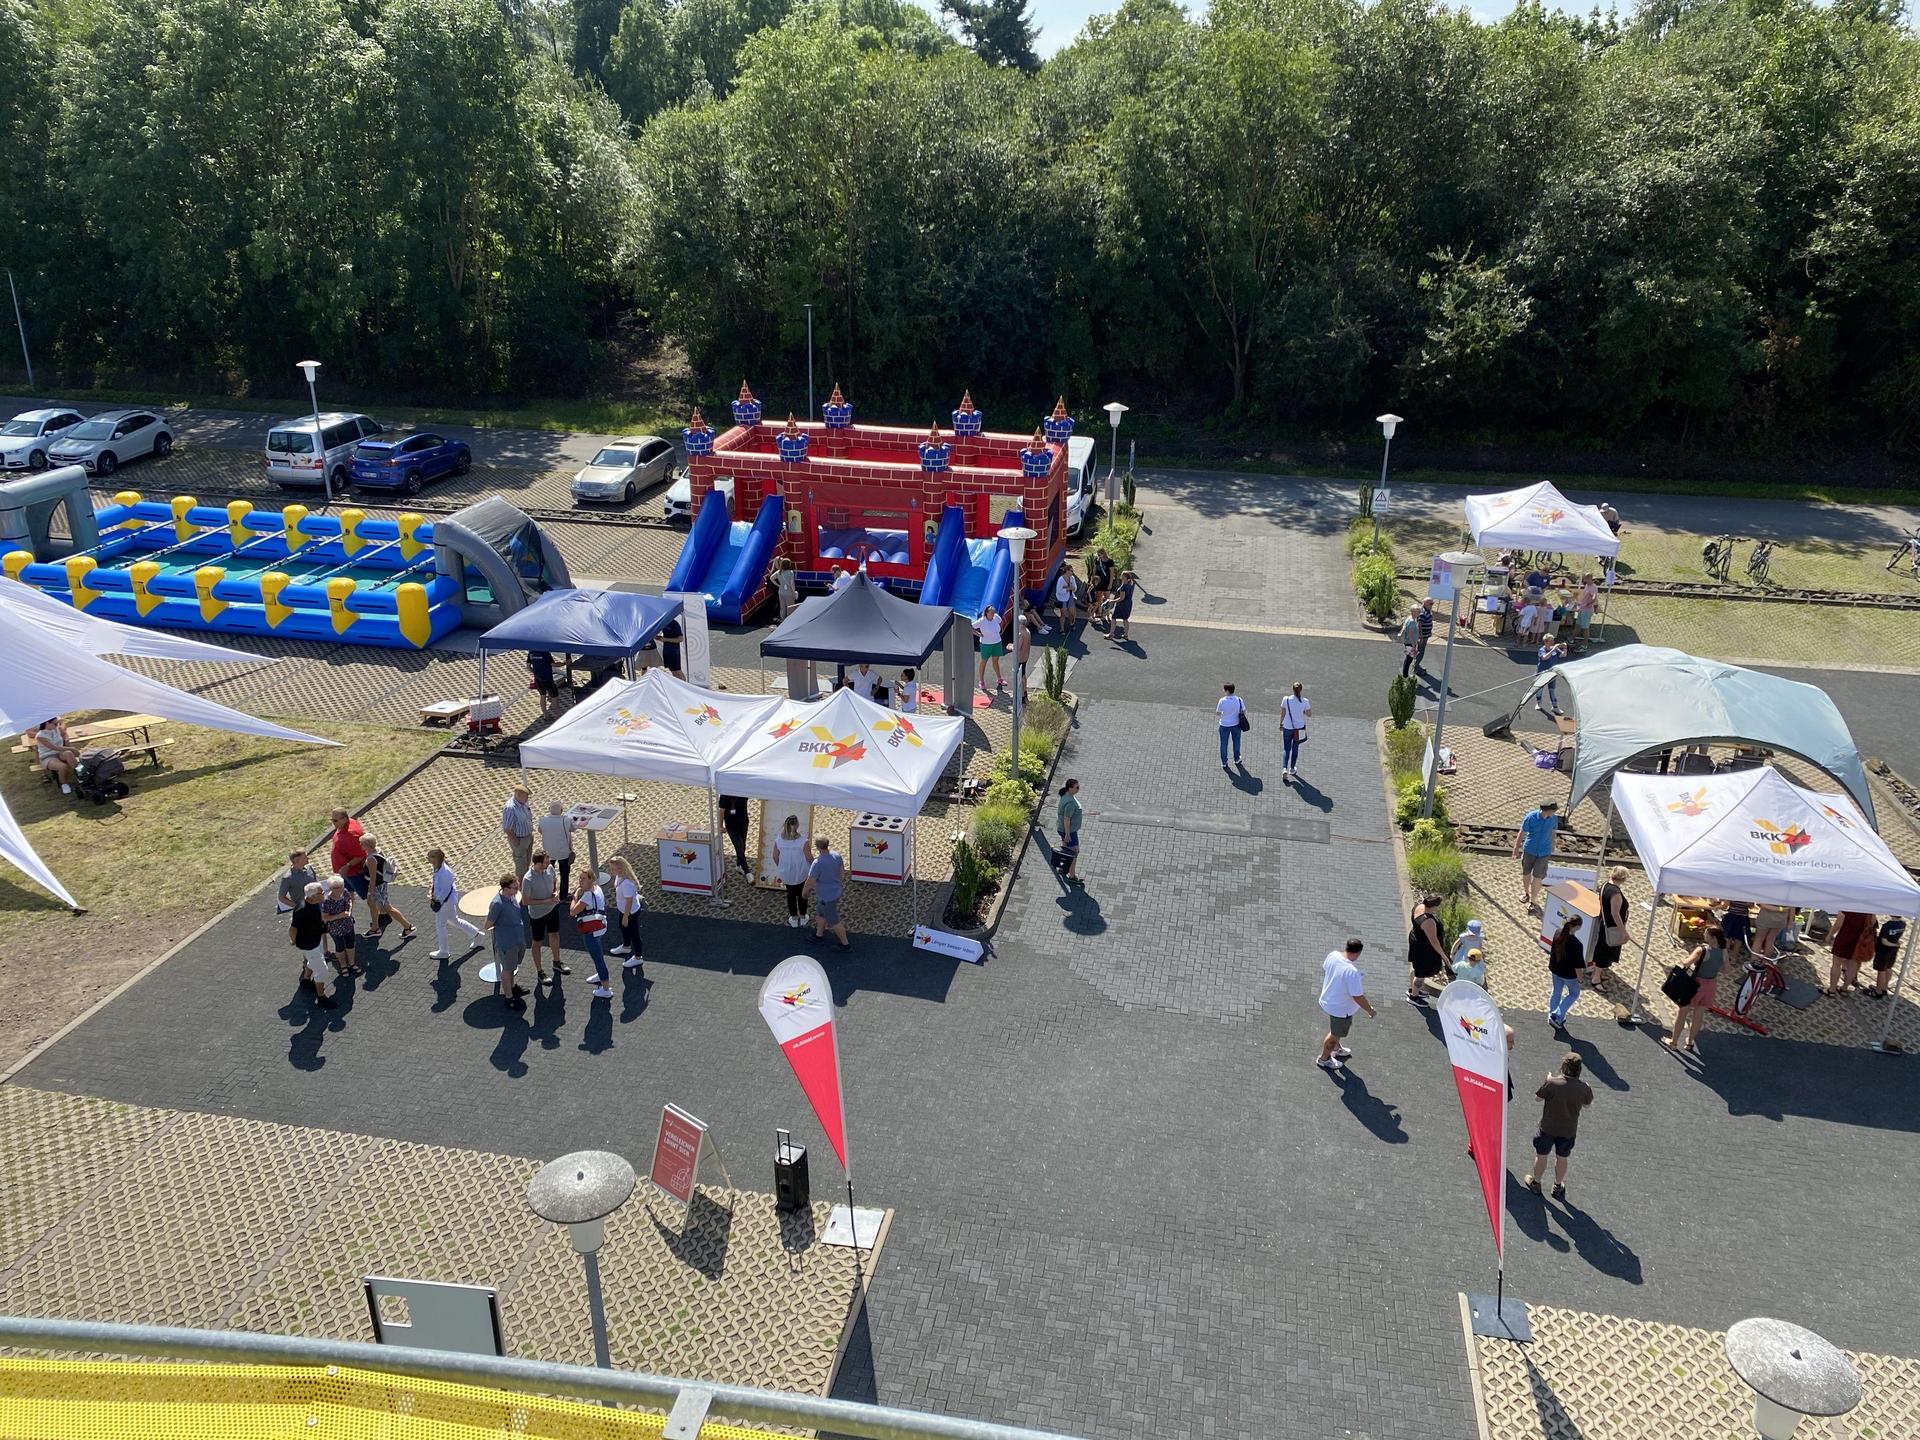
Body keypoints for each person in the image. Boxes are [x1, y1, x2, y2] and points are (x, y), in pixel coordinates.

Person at [1526, 1054, 1593, 1200]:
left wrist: (1548, 1080)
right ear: (1579, 1069)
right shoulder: (1584, 1088)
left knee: (1541, 1155)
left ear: (1564, 1067)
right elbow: (1587, 1105)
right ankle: (1557, 1186)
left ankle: (1536, 1183)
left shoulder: (1552, 1083)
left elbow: (1537, 1098)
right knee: (1562, 1157)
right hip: (1568, 1130)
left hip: (1547, 1128)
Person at [1316, 939, 1376, 1071]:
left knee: (1337, 1031)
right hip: (1340, 1009)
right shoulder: (1352, 972)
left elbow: (1327, 969)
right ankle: (1324, 1059)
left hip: (1329, 1000)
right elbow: (1358, 996)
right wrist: (1369, 1010)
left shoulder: (1333, 955)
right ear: (1358, 953)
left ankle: (1336, 1048)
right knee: (1335, 1034)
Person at [1665, 924, 1723, 1053]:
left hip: (1695, 985)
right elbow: (1727, 969)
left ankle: (1674, 1042)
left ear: (1712, 937)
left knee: (1683, 1012)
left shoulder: (1702, 950)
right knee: (1698, 1016)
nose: (1704, 934)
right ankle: (1690, 1042)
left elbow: (1686, 963)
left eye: (1706, 933)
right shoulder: (1722, 951)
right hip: (1711, 985)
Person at [424, 848, 484, 960]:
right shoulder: (438, 867)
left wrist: (435, 899)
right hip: (447, 902)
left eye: (430, 856)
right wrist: (432, 890)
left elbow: (445, 891)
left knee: (440, 925)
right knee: (454, 920)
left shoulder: (444, 873)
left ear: (436, 858)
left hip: (445, 903)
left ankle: (444, 951)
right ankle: (477, 934)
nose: (427, 858)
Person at [521, 851, 569, 984]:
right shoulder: (528, 879)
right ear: (537, 863)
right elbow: (525, 901)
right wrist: (546, 901)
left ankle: (557, 962)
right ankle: (540, 971)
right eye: (546, 862)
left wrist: (555, 892)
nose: (549, 864)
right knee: (537, 942)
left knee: (555, 934)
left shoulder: (550, 869)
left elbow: (554, 882)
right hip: (537, 915)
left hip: (552, 909)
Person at [484, 872, 530, 1011]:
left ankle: (513, 987)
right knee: (507, 969)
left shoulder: (512, 897)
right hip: (507, 943)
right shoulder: (497, 904)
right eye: (515, 888)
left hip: (518, 939)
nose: (517, 890)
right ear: (505, 888)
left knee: (512, 967)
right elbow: (488, 925)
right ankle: (509, 998)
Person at [290, 881, 336, 1008]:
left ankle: (306, 981)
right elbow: (293, 929)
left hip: (316, 939)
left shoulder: (314, 903)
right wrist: (294, 941)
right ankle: (321, 997)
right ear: (313, 896)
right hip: (309, 945)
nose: (324, 893)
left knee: (312, 962)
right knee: (322, 970)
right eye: (321, 892)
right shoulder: (302, 909)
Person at [570, 868, 613, 998]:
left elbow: (573, 912)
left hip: (591, 930)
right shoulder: (597, 888)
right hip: (600, 926)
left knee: (598, 959)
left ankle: (606, 989)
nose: (580, 881)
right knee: (598, 955)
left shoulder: (587, 896)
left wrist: (575, 897)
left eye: (584, 878)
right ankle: (600, 975)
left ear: (591, 879)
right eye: (580, 878)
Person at [361, 836, 413, 941]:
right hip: (381, 884)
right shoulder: (378, 850)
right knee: (373, 905)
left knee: (388, 908)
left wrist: (370, 893)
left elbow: (373, 878)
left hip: (377, 887)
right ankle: (375, 928)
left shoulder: (371, 859)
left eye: (362, 843)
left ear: (368, 845)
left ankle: (407, 926)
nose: (360, 845)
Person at [1512, 799, 1562, 911]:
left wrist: (1553, 845)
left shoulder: (1553, 819)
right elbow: (1522, 832)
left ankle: (1533, 901)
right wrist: (1516, 848)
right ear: (1547, 810)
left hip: (1544, 852)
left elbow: (1553, 832)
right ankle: (1526, 893)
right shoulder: (1530, 817)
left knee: (1538, 877)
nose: (1554, 813)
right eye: (1553, 810)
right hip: (1530, 850)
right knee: (1526, 873)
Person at [805, 836, 851, 951]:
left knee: (834, 921)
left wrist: (804, 893)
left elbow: (810, 882)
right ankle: (819, 935)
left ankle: (846, 945)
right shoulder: (836, 855)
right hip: (835, 892)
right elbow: (842, 872)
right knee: (821, 914)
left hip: (826, 897)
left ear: (817, 847)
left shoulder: (817, 863)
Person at [329, 808, 372, 924]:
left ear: (344, 819)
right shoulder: (344, 825)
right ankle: (348, 916)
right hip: (346, 873)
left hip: (354, 873)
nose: (333, 823)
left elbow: (361, 855)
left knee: (369, 897)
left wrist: (347, 866)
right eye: (332, 820)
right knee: (347, 894)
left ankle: (381, 915)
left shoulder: (351, 834)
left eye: (335, 820)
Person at [1406, 893, 1447, 1007]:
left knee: (1415, 968)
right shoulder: (1428, 921)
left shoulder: (1418, 907)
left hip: (1416, 942)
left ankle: (1413, 990)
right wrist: (1443, 956)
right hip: (1424, 950)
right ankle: (1414, 997)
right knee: (1420, 975)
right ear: (1433, 906)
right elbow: (1434, 941)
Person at [1547, 911, 1585, 1031]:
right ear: (1577, 927)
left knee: (1556, 992)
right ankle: (1557, 1015)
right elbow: (1578, 967)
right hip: (1569, 975)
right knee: (1574, 994)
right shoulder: (1577, 944)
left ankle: (1552, 1014)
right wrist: (1580, 980)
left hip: (1555, 970)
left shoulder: (1558, 933)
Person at [774, 814, 812, 927]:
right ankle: (803, 916)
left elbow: (775, 856)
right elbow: (809, 857)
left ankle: (794, 918)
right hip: (801, 872)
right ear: (797, 825)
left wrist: (781, 866)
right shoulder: (803, 841)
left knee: (790, 895)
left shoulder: (779, 840)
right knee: (802, 895)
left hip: (786, 872)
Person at [1590, 866, 1628, 981]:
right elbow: (1615, 914)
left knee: (1603, 949)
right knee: (1604, 952)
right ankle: (1596, 978)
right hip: (1611, 927)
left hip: (1604, 923)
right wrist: (1623, 931)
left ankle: (1598, 973)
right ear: (1623, 878)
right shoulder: (1615, 894)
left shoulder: (1605, 885)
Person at [321, 874, 361, 978]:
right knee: (340, 947)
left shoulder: (345, 892)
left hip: (348, 925)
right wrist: (340, 915)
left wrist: (349, 910)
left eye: (341, 886)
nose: (340, 889)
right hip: (335, 928)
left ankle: (352, 963)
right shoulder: (327, 901)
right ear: (330, 888)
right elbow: (325, 917)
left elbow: (349, 901)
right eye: (336, 887)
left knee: (350, 945)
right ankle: (343, 966)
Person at [607, 856, 644, 971]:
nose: (611, 871)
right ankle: (626, 946)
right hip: (624, 910)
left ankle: (638, 957)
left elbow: (629, 901)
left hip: (630, 912)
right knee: (623, 928)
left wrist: (625, 917)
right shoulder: (620, 877)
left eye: (613, 869)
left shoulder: (626, 883)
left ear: (620, 869)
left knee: (634, 934)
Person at [1827, 911, 1874, 994]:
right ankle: (1844, 988)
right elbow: (1872, 922)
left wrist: (1830, 935)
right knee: (1852, 966)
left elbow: (1838, 923)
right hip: (1859, 940)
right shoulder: (1869, 909)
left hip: (1844, 936)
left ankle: (1832, 989)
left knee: (1836, 964)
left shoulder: (1848, 906)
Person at [536, 801, 575, 900]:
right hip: (563, 853)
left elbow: (540, 830)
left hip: (548, 854)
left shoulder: (543, 820)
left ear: (549, 810)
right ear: (561, 810)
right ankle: (563, 897)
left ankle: (550, 894)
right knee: (564, 875)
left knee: (548, 875)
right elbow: (573, 828)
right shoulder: (566, 820)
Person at [30, 718, 78, 794]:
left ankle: (80, 774)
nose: (57, 725)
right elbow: (54, 747)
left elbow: (64, 734)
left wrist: (66, 739)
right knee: (62, 766)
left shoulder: (56, 729)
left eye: (57, 723)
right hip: (47, 756)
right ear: (47, 723)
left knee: (69, 753)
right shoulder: (40, 736)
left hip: (59, 752)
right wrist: (71, 748)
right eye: (55, 724)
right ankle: (64, 784)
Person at [1279, 681, 1310, 783]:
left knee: (1286, 749)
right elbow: (1309, 714)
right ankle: (1292, 768)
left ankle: (1284, 768)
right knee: (1295, 748)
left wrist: (1281, 724)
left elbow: (1283, 713)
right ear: (1301, 690)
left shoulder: (1286, 699)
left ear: (1292, 689)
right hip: (1299, 728)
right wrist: (1303, 711)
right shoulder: (1305, 701)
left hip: (1287, 727)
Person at [502, 787, 534, 878]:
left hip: (528, 836)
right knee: (521, 866)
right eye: (526, 796)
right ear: (518, 795)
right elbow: (507, 828)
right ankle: (521, 884)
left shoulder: (522, 803)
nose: (527, 798)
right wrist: (515, 841)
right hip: (519, 839)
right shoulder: (510, 808)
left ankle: (526, 881)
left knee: (526, 862)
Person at [974, 605, 1008, 693]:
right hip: (986, 644)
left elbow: (1001, 622)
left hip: (997, 642)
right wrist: (978, 634)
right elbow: (970, 626)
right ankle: (981, 681)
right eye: (991, 613)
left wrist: (1000, 631)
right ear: (987, 613)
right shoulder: (982, 621)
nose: (993, 614)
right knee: (984, 661)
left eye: (994, 612)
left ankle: (999, 679)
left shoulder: (996, 617)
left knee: (995, 661)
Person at [1055, 778, 1082, 886]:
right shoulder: (1070, 803)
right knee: (1074, 852)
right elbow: (1067, 819)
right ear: (1070, 788)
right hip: (1069, 832)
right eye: (1077, 787)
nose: (1078, 789)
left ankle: (1063, 868)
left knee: (1066, 849)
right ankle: (1072, 876)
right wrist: (1067, 834)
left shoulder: (1066, 796)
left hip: (1064, 829)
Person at [1871, 916, 1906, 997]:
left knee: (1881, 970)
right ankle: (1884, 988)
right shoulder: (1903, 924)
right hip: (1893, 950)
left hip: (1884, 950)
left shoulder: (1887, 925)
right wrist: (1896, 945)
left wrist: (1894, 945)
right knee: (1889, 968)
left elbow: (1884, 941)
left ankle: (1878, 991)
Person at [719, 793, 752, 877]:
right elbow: (722, 810)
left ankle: (739, 865)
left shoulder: (743, 790)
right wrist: (720, 825)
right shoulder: (725, 793)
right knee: (739, 847)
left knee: (743, 845)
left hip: (743, 822)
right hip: (731, 825)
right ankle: (747, 871)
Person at [1533, 640, 1569, 717]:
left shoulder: (1555, 649)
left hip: (1552, 673)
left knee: (1552, 690)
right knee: (1539, 689)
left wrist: (1565, 648)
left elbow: (1563, 655)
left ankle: (1555, 707)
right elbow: (1544, 658)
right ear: (1546, 642)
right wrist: (1553, 649)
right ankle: (1538, 703)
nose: (1552, 642)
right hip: (1542, 673)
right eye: (1550, 641)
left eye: (1552, 641)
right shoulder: (1542, 650)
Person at [1216, 682, 1246, 771]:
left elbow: (1218, 712)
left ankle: (1224, 762)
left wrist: (1224, 714)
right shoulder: (1239, 700)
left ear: (1227, 691)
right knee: (1236, 742)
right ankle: (1237, 759)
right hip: (1236, 725)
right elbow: (1244, 711)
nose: (1223, 691)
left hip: (1224, 725)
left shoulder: (1222, 701)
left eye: (1224, 689)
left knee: (1223, 743)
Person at [277, 849, 316, 915]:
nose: (308, 858)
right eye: (305, 857)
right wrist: (298, 907)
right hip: (303, 911)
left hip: (316, 905)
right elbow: (281, 897)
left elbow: (316, 883)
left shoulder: (309, 868)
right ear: (297, 861)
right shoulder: (288, 878)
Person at [1105, 570, 1136, 642]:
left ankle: (1111, 634)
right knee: (1125, 619)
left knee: (1113, 618)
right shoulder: (1129, 585)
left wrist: (1112, 601)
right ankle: (1126, 634)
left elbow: (1122, 598)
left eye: (1122, 575)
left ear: (1125, 577)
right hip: (1128, 604)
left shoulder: (1123, 587)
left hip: (1122, 605)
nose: (1121, 576)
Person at [528, 650, 561, 717]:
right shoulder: (545, 652)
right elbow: (553, 664)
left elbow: (528, 666)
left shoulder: (531, 652)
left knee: (542, 696)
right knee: (554, 696)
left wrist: (535, 673)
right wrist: (565, 663)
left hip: (538, 679)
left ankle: (545, 715)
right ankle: (558, 715)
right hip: (548, 679)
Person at [1720, 899, 1753, 966]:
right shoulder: (1748, 894)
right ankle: (1732, 958)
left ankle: (1726, 957)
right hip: (1741, 918)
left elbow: (1725, 906)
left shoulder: (1733, 893)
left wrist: (1716, 907)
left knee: (1729, 938)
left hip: (1734, 918)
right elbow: (1751, 906)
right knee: (1737, 940)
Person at [1574, 574, 1600, 642]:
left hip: (1587, 610)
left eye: (1584, 578)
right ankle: (1572, 638)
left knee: (1585, 628)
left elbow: (1594, 597)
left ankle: (1585, 644)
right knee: (1578, 624)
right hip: (1582, 608)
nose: (1584, 580)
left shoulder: (1593, 587)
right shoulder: (1587, 585)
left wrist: (1589, 603)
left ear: (1589, 579)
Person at [1414, 597, 1436, 671]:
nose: (1432, 605)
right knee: (1421, 651)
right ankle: (1416, 667)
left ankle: (1416, 665)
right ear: (1425, 603)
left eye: (1432, 603)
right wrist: (1421, 637)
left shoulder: (1427, 610)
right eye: (1430, 604)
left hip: (1425, 635)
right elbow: (1419, 625)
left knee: (1419, 650)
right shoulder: (1423, 613)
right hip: (1423, 636)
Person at [1398, 611, 1420, 678]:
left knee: (1408, 658)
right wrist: (1413, 646)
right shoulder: (1412, 622)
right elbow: (1410, 635)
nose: (1419, 613)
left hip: (1408, 642)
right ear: (1414, 612)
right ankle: (1405, 675)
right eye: (1418, 611)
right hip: (1410, 643)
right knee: (1409, 659)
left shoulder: (1410, 618)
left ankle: (1405, 674)